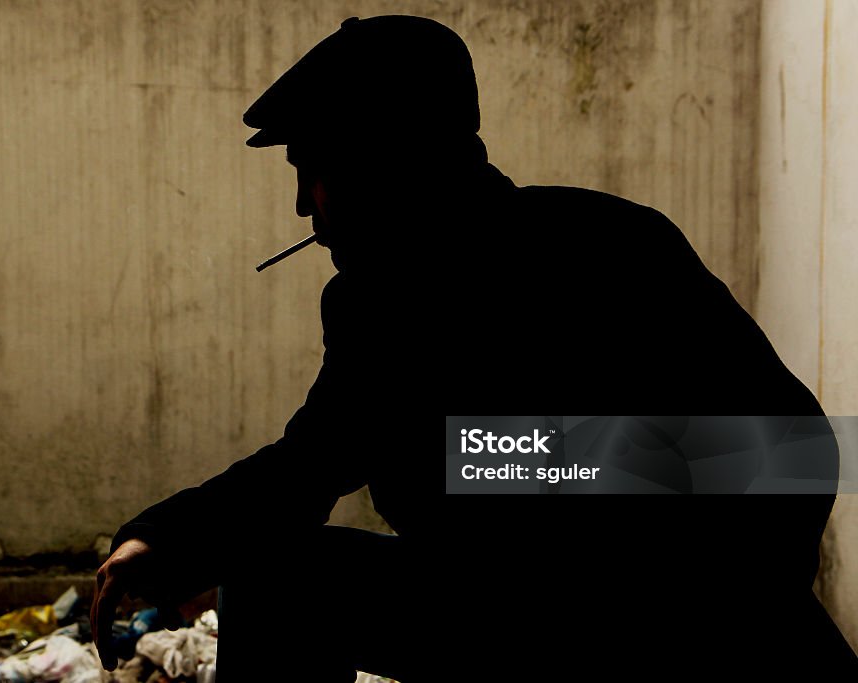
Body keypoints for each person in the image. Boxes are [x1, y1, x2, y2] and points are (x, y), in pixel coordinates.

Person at [91, 15, 858, 679]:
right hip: (538, 629)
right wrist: (165, 534)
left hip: (689, 637)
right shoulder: (386, 297)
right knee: (280, 570)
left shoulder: (607, 250)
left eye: (312, 173)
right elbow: (314, 460)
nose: (303, 208)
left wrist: (489, 458)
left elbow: (795, 455)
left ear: (381, 159)